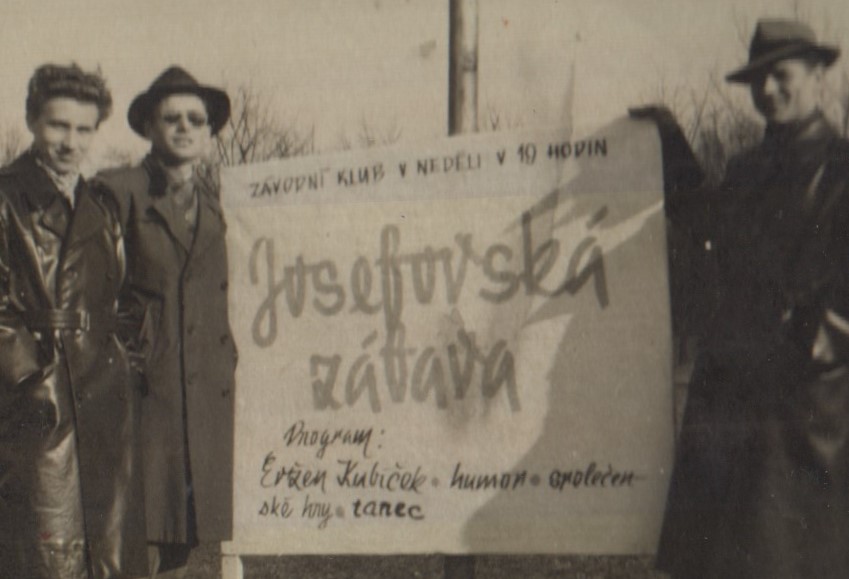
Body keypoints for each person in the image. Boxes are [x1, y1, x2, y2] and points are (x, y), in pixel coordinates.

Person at [655, 19, 849, 578]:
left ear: (818, 76)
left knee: (788, 557)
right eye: (758, 79)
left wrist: (811, 336)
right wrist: (665, 141)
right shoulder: (746, 170)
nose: (767, 90)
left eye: (781, 75)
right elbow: (704, 217)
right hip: (729, 402)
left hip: (802, 413)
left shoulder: (841, 168)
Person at [0, 64, 148, 578]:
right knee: (44, 556)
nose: (70, 141)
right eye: (58, 125)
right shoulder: (7, 198)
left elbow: (125, 298)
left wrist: (123, 363)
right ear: (31, 120)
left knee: (108, 555)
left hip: (106, 406)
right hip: (34, 411)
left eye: (84, 129)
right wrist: (33, 379)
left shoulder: (101, 204)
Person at [95, 66, 236, 578]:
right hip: (144, 398)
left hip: (201, 406)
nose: (184, 127)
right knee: (136, 544)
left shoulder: (216, 207)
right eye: (171, 118)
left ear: (209, 132)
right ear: (149, 127)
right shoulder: (119, 191)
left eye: (196, 119)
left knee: (180, 544)